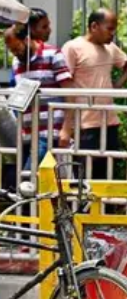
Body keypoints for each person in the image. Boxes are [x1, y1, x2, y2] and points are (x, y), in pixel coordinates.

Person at [60, 9, 127, 178]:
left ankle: (107, 206)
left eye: (114, 29)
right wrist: (67, 127)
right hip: (84, 124)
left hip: (109, 121)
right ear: (94, 26)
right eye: (109, 29)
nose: (112, 34)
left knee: (108, 175)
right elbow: (65, 86)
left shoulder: (111, 48)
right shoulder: (73, 47)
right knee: (86, 176)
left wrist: (116, 86)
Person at [3, 23, 72, 171]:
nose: (15, 53)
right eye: (11, 50)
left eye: (17, 48)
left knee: (28, 175)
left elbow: (69, 93)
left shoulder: (52, 55)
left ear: (27, 40)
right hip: (28, 132)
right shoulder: (17, 62)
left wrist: (67, 128)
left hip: (50, 130)